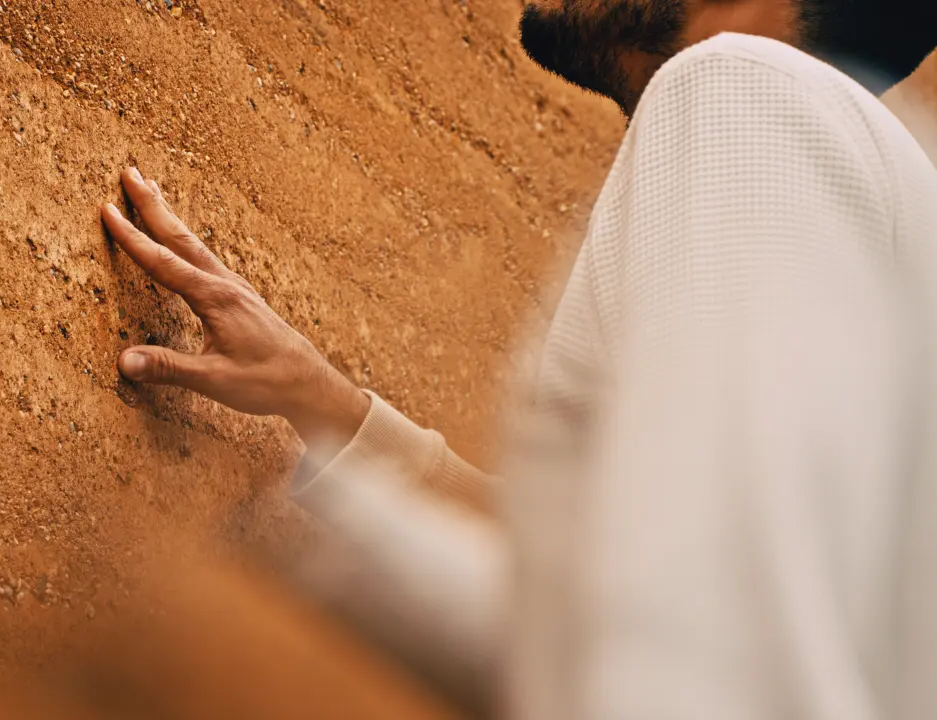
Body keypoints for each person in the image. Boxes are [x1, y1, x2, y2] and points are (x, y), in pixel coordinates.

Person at [99, 1, 937, 717]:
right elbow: (642, 588)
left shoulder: (744, 94)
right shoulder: (854, 185)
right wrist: (329, 409)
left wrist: (322, 554)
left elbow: (706, 651)